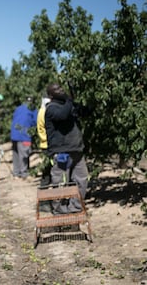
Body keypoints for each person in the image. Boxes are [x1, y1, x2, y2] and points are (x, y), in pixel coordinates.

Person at [45, 83, 89, 214]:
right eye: (57, 89)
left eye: (61, 87)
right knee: (61, 182)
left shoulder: (69, 106)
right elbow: (62, 115)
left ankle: (75, 207)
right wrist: (69, 100)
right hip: (62, 152)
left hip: (76, 150)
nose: (61, 90)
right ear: (51, 95)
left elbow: (85, 112)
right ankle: (59, 210)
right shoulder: (51, 108)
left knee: (82, 179)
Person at [10, 97, 37, 180]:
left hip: (14, 134)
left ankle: (16, 173)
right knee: (24, 154)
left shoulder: (18, 108)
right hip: (24, 134)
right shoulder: (33, 109)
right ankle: (24, 173)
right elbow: (36, 121)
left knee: (16, 154)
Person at [36, 94, 52, 212]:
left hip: (45, 145)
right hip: (48, 146)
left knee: (48, 173)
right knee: (47, 174)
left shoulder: (41, 111)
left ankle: (44, 201)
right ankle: (43, 203)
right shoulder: (44, 112)